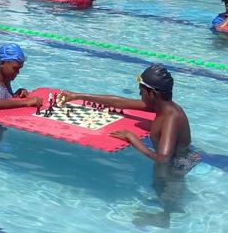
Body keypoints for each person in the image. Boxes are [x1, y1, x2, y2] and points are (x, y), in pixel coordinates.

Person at [59, 64, 198, 172]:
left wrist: (133, 139)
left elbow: (163, 159)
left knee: (167, 202)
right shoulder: (161, 106)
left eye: (142, 91)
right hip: (176, 160)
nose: (139, 94)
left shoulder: (171, 118)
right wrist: (77, 96)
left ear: (153, 94)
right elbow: (119, 103)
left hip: (177, 167)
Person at [0, 43, 41, 108]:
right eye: (15, 68)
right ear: (2, 63)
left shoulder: (6, 80)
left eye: (19, 69)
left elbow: (5, 100)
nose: (18, 72)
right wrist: (26, 102)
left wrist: (16, 95)